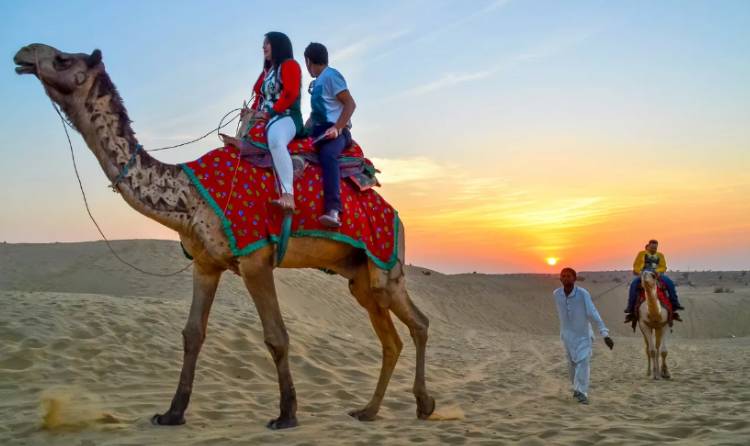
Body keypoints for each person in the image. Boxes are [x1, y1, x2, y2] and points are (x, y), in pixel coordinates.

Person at [223, 31, 303, 212]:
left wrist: (269, 114)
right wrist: (251, 112)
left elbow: (290, 94)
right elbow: (259, 98)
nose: (264, 47)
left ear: (278, 45)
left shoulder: (290, 66)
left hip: (286, 117)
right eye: (264, 43)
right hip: (265, 118)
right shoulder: (267, 73)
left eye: (268, 43)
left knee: (275, 140)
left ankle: (288, 194)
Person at [303, 42, 357, 228]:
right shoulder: (317, 82)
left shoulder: (332, 76)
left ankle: (333, 210)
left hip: (336, 132)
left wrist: (338, 127)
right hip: (317, 131)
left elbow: (350, 104)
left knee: (328, 155)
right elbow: (316, 114)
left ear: (309, 61)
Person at [553, 267, 614, 405]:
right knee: (572, 364)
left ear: (574, 279)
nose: (566, 278)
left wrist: (605, 333)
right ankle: (576, 389)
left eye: (569, 276)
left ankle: (582, 392)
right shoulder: (556, 294)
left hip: (583, 335)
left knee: (583, 362)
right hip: (567, 336)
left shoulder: (582, 293)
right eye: (563, 276)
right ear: (560, 279)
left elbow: (593, 312)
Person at [624, 239, 685, 323]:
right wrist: (640, 272)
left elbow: (663, 266)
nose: (653, 249)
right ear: (648, 246)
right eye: (652, 248)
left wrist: (658, 271)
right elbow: (636, 265)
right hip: (644, 273)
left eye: (655, 248)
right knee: (633, 285)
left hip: (657, 274)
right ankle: (630, 308)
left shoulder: (660, 255)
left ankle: (675, 304)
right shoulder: (641, 254)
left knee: (670, 283)